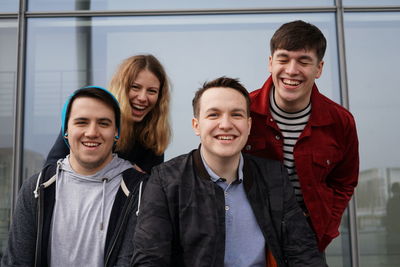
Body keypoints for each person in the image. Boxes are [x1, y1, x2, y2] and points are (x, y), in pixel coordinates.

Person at [132, 77, 325, 266]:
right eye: (213, 115)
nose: (225, 124)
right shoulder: (165, 180)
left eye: (236, 114)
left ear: (249, 125)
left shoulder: (274, 176)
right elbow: (149, 258)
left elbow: (303, 252)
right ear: (196, 126)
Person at [244, 20, 359, 251]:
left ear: (319, 68)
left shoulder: (340, 122)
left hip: (308, 238)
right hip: (249, 234)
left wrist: (325, 229)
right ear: (270, 63)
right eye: (283, 59)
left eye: (304, 61)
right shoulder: (242, 110)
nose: (291, 70)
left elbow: (344, 182)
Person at [1, 86, 148, 267]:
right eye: (81, 122)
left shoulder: (139, 191)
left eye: (103, 123)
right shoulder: (37, 188)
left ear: (116, 132)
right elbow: (16, 262)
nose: (92, 132)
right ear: (66, 130)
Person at [45, 54, 171, 173]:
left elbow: (152, 188)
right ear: (120, 88)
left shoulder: (154, 135)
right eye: (135, 87)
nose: (143, 97)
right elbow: (51, 170)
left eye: (152, 91)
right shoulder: (87, 119)